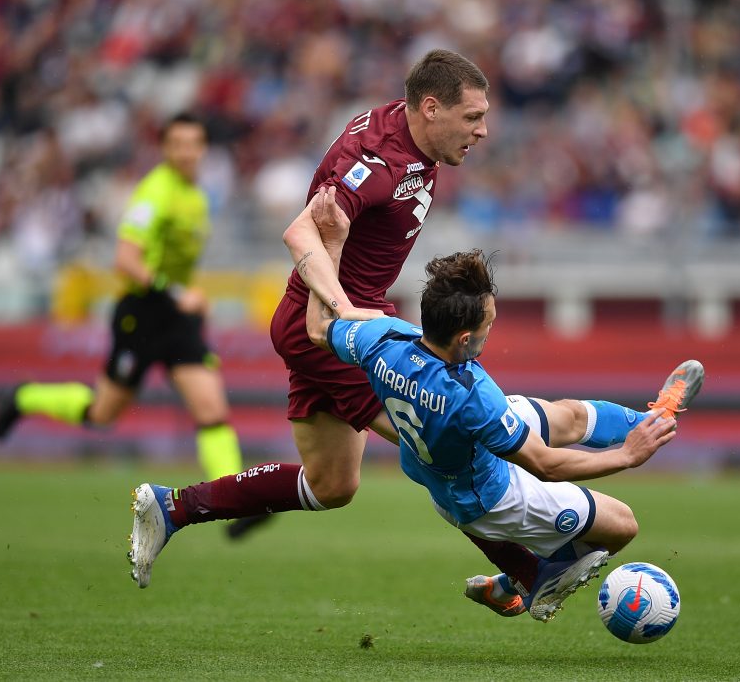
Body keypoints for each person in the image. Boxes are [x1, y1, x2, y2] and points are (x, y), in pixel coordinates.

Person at [126, 49, 700, 595]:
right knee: (442, 440)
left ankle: (173, 506)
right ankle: (532, 570)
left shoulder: (406, 137)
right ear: (432, 108)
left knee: (332, 485)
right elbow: (301, 231)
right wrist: (344, 307)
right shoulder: (377, 163)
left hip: (339, 325)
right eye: (472, 118)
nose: (481, 131)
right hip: (333, 332)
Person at [128, 249, 704, 621]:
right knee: (622, 524)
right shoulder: (472, 397)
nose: (491, 330)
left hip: (437, 454)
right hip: (489, 493)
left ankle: (654, 415)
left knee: (568, 416)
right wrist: (628, 458)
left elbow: (317, 328)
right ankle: (539, 575)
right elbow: (546, 465)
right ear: (463, 340)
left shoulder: (386, 340)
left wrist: (320, 248)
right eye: (488, 325)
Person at [0, 113, 255, 535]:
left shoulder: (198, 195)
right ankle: (26, 396)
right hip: (142, 315)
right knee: (103, 413)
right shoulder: (155, 193)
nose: (187, 151)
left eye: (194, 143)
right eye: (178, 144)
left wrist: (184, 299)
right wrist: (178, 293)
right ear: (166, 149)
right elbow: (125, 259)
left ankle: (238, 500)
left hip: (178, 319)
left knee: (212, 410)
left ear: (204, 149)